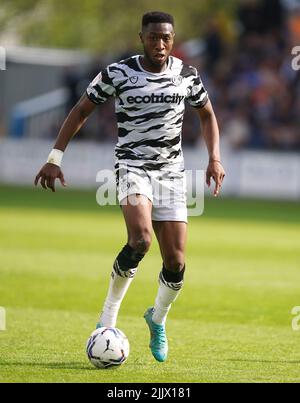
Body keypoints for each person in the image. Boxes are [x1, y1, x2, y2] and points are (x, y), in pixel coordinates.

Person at [34, 11, 225, 363]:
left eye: (166, 37)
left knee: (176, 261)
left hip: (172, 172)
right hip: (132, 166)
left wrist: (214, 157)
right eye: (153, 37)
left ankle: (157, 318)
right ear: (142, 38)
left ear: (173, 38)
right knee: (140, 240)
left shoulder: (186, 74)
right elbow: (81, 110)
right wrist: (55, 156)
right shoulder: (118, 73)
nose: (160, 44)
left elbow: (208, 114)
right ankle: (107, 317)